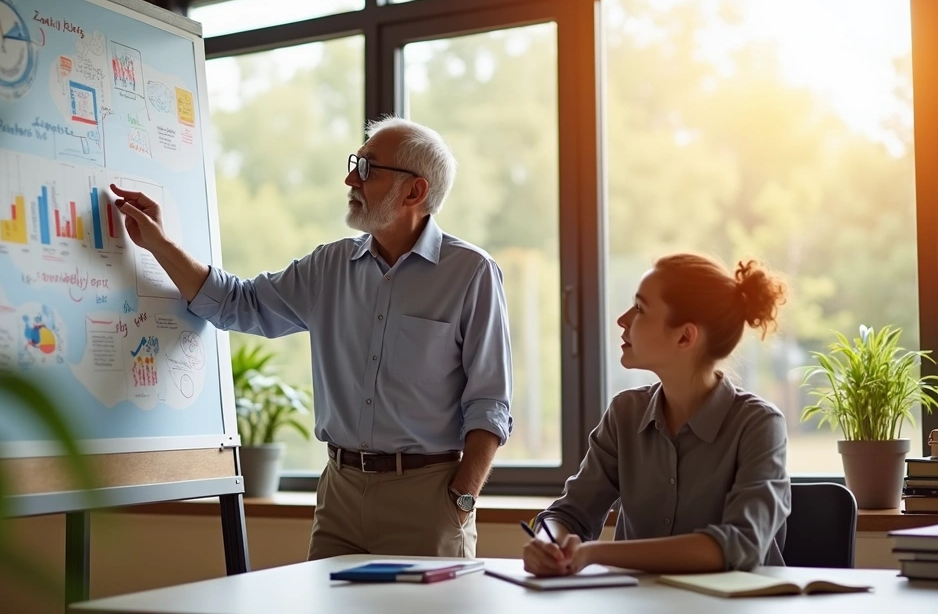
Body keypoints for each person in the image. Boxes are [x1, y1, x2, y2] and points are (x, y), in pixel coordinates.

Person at [111, 116, 513, 560]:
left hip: (427, 499)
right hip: (340, 494)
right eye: (354, 163)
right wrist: (160, 243)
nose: (349, 178)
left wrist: (461, 499)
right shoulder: (328, 267)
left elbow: (490, 403)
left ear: (414, 192)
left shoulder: (470, 273)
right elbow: (236, 303)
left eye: (366, 168)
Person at [523, 253, 790, 576]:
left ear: (685, 336)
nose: (622, 320)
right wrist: (548, 541)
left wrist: (595, 553)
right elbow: (569, 513)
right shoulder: (625, 414)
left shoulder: (760, 425)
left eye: (639, 309)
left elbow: (738, 546)